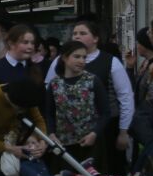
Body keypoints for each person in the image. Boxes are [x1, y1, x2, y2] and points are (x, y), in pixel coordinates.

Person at [44, 20, 133, 174]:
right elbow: (50, 105)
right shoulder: (57, 74)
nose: (77, 36)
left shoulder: (108, 63)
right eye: (75, 33)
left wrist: (123, 131)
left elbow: (125, 97)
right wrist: (51, 133)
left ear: (95, 38)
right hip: (64, 139)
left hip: (100, 131)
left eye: (83, 33)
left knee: (101, 174)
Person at [44, 39, 110, 167]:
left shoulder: (92, 80)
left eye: (84, 57)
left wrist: (94, 133)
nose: (81, 61)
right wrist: (51, 134)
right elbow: (49, 113)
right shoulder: (54, 84)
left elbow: (106, 112)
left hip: (90, 144)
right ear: (64, 57)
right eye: (77, 56)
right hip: (64, 146)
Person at [0, 25, 37, 96]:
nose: (30, 47)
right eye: (25, 42)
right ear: (11, 43)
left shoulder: (34, 68)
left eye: (32, 43)